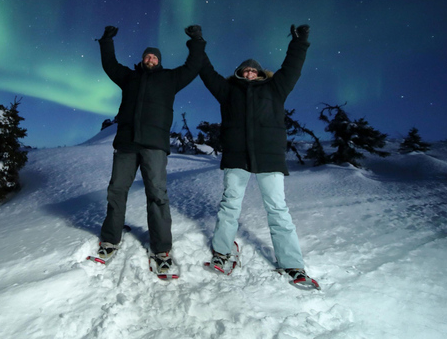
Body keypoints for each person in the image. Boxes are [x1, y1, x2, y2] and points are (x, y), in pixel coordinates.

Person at [199, 24, 319, 289]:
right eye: (245, 71)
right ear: (240, 74)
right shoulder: (228, 92)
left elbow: (292, 67)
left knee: (277, 209)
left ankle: (292, 265)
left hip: (269, 157)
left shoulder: (276, 88)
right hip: (237, 157)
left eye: (254, 70)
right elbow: (206, 72)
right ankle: (222, 252)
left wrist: (299, 43)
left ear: (261, 73)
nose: (250, 73)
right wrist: (197, 43)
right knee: (230, 205)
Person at [93, 24, 205, 276]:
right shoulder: (129, 78)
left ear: (159, 61)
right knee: (117, 190)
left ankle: (161, 249)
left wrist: (196, 41)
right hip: (127, 143)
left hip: (154, 145)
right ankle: (110, 239)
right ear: (142, 60)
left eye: (154, 56)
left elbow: (193, 66)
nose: (150, 59)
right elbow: (110, 65)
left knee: (157, 193)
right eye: (147, 56)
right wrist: (106, 41)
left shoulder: (170, 79)